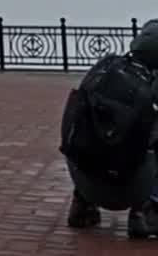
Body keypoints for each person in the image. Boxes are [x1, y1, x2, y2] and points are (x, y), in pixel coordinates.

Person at [60, 18, 158, 238]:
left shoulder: (106, 70)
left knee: (86, 125)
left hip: (87, 182)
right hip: (132, 189)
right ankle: (147, 214)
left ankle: (82, 207)